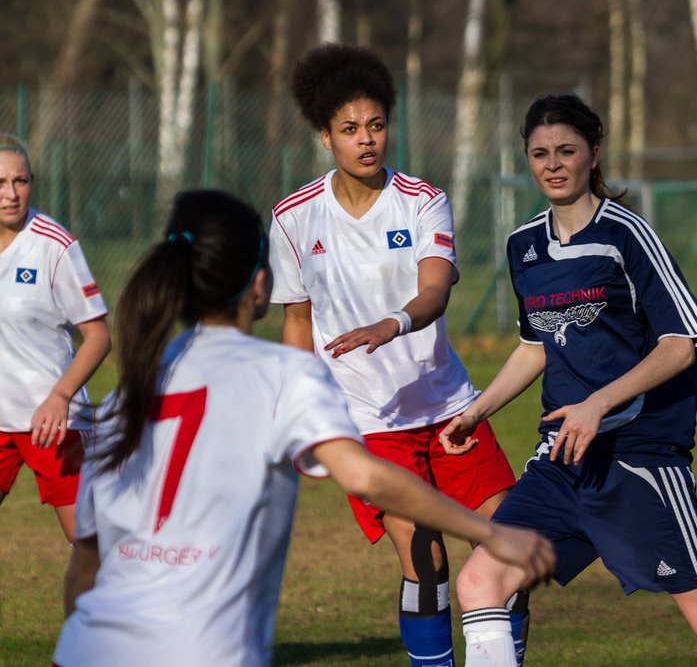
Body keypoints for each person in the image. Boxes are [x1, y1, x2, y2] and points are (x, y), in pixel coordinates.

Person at [53, 190, 554, 667]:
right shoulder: (282, 374)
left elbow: (85, 568)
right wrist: (490, 534)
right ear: (261, 283)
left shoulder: (127, 392)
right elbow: (367, 477)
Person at [440, 94, 697, 667]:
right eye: (540, 152)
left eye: (566, 150)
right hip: (562, 461)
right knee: (480, 584)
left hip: (637, 456)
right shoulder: (523, 245)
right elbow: (536, 345)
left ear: (593, 153)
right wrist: (478, 410)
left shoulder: (627, 236)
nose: (553, 164)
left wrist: (597, 404)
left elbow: (681, 345)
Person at [268, 44, 527, 667]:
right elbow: (297, 323)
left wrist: (391, 324)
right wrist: (301, 416)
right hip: (368, 422)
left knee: (511, 550)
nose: (367, 140)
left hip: (448, 408)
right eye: (350, 129)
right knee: (426, 562)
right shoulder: (292, 217)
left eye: (377, 125)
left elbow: (434, 290)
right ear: (325, 137)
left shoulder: (422, 200)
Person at [0, 133, 110, 544]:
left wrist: (60, 397)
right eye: (0, 184)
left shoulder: (54, 246)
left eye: (20, 181)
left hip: (51, 423)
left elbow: (98, 336)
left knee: (89, 545)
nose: (11, 194)